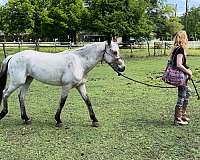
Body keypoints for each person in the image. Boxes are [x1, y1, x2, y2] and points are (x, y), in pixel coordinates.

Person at [171, 31, 192, 125]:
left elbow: (181, 63)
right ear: (183, 38)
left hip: (181, 77)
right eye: (186, 37)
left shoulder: (176, 49)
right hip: (180, 77)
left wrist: (188, 69)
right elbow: (179, 64)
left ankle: (182, 114)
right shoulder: (180, 49)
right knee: (182, 96)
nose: (187, 39)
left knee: (187, 93)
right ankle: (178, 119)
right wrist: (188, 72)